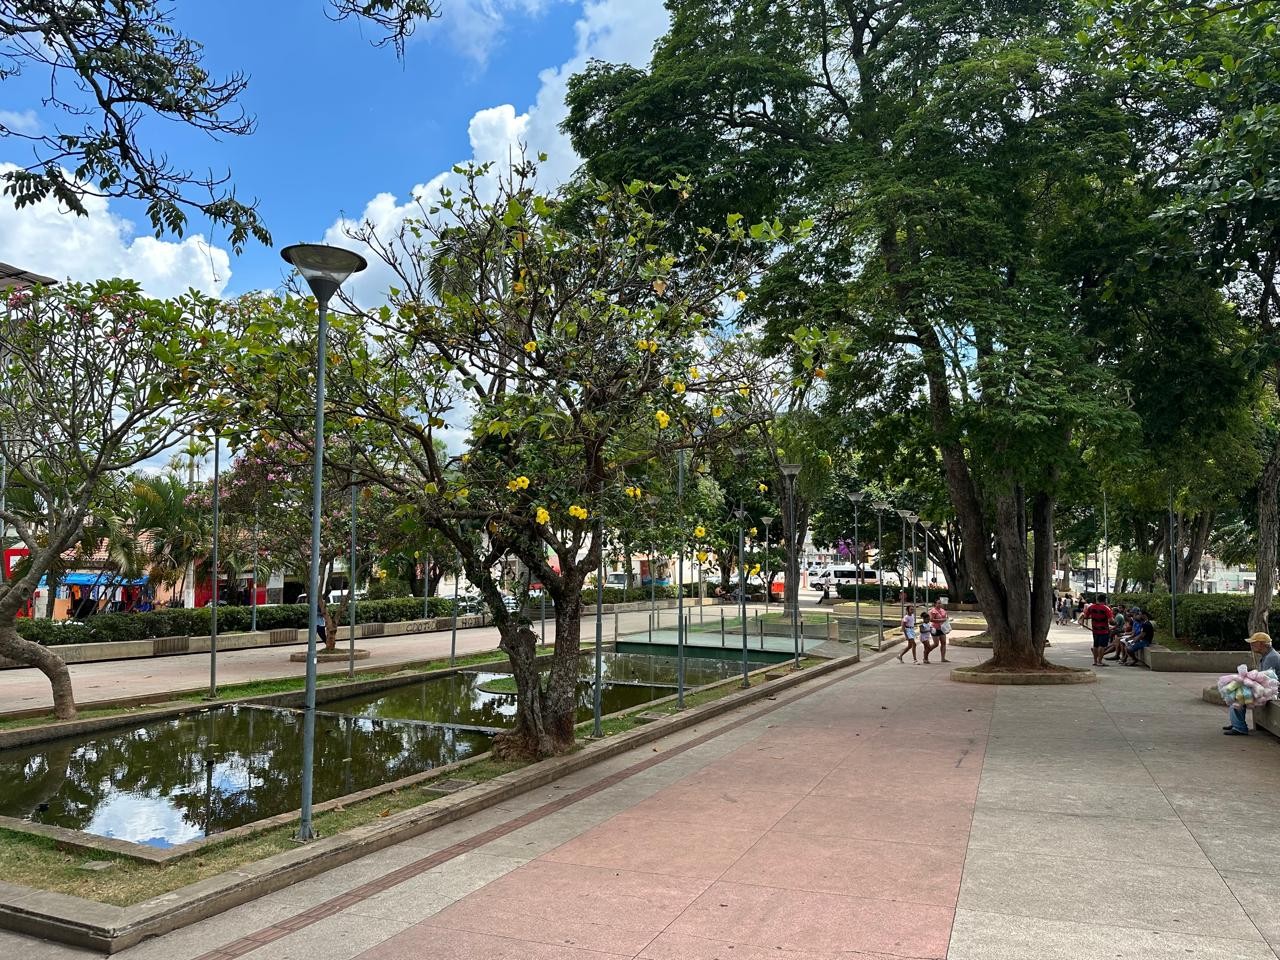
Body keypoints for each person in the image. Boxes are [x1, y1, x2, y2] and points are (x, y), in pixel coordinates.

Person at [1225, 632, 1280, 735]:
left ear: (1262, 644)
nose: (1252, 645)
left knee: (1238, 697)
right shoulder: (1267, 655)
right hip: (1268, 688)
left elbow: (1265, 679)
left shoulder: (1271, 657)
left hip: (1273, 691)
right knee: (1235, 692)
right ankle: (1237, 723)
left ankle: (1239, 727)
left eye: (1254, 643)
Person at [1080, 594, 1113, 666]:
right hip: (1104, 630)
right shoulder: (1106, 608)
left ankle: (1095, 661)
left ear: (1097, 599)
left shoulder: (1091, 607)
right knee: (1102, 646)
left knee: (1095, 645)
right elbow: (1111, 621)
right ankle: (1099, 661)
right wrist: (1115, 623)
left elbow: (1085, 616)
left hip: (1095, 629)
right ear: (1105, 600)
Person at [928, 599, 949, 663]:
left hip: (942, 628)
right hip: (935, 628)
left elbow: (946, 617)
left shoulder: (943, 610)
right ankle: (926, 652)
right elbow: (931, 619)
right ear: (935, 604)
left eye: (940, 603)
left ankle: (943, 658)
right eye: (938, 603)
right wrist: (941, 620)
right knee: (936, 644)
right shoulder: (932, 611)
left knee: (943, 643)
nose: (940, 604)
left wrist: (946, 618)